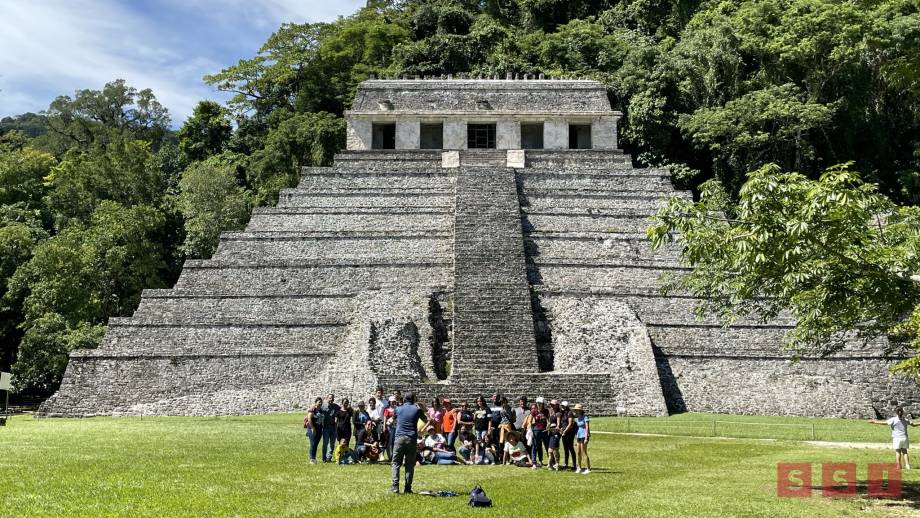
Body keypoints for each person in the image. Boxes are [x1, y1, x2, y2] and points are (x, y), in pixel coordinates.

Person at [391, 392, 425, 494]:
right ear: (414, 399)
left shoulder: (398, 408)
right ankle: (408, 487)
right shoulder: (417, 409)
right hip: (411, 438)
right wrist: (421, 408)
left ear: (404, 399)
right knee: (409, 465)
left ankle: (395, 486)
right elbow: (426, 419)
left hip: (399, 438)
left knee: (396, 463)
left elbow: (393, 419)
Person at [320, 393, 340, 462]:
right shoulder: (323, 406)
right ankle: (323, 457)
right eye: (330, 398)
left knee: (332, 443)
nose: (331, 399)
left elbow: (342, 410)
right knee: (325, 443)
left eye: (332, 398)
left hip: (333, 427)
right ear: (327, 398)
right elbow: (316, 409)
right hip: (326, 427)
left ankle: (329, 457)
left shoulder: (336, 407)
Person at [559, 401, 578, 471]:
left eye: (563, 406)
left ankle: (574, 465)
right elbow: (563, 423)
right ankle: (566, 464)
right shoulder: (563, 413)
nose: (562, 407)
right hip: (564, 432)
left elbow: (570, 424)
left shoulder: (570, 413)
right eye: (562, 406)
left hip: (569, 433)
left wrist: (564, 431)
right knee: (565, 449)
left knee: (570, 448)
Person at [574, 403, 591, 474]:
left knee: (584, 452)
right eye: (576, 410)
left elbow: (587, 428)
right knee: (578, 453)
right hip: (578, 436)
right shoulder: (577, 418)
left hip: (584, 436)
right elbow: (578, 428)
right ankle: (579, 467)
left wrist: (586, 438)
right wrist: (576, 437)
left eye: (578, 410)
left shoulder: (585, 417)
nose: (576, 411)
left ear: (581, 410)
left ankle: (588, 468)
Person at [304, 397, 323, 464]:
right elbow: (309, 419)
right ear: (315, 402)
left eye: (321, 402)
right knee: (313, 443)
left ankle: (313, 458)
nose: (320, 403)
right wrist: (312, 428)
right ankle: (312, 459)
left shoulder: (321, 410)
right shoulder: (312, 410)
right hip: (312, 429)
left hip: (319, 429)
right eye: (319, 402)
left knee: (315, 444)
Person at [383, 396, 398, 460]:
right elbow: (385, 419)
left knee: (395, 442)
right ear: (389, 402)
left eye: (394, 401)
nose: (393, 403)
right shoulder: (387, 410)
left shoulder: (397, 409)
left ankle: (394, 456)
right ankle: (390, 456)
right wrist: (384, 427)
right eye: (392, 402)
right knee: (390, 442)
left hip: (396, 427)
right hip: (390, 427)